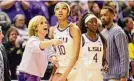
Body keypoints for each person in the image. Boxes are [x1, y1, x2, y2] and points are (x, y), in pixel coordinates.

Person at [17, 15, 62, 81]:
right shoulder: (32, 40)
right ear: (35, 28)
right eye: (41, 23)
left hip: (36, 76)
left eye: (46, 22)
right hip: (27, 75)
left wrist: (54, 59)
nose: (45, 24)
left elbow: (50, 54)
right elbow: (40, 45)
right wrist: (53, 41)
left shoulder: (47, 42)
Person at [49, 2, 83, 81]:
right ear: (55, 13)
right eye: (57, 9)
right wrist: (52, 74)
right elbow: (56, 55)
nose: (60, 11)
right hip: (60, 68)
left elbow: (75, 56)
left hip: (74, 69)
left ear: (68, 12)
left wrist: (64, 76)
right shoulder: (53, 30)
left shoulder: (74, 29)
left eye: (63, 8)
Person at [100, 6, 129, 81]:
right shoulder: (102, 33)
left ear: (113, 15)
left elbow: (124, 55)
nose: (102, 17)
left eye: (105, 15)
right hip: (104, 75)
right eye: (101, 15)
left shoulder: (118, 32)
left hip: (116, 76)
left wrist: (124, 75)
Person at [81, 13, 107, 81]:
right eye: (91, 22)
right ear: (86, 24)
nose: (94, 24)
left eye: (95, 22)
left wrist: (105, 65)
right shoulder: (81, 38)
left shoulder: (102, 39)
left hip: (98, 73)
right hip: (84, 73)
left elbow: (104, 60)